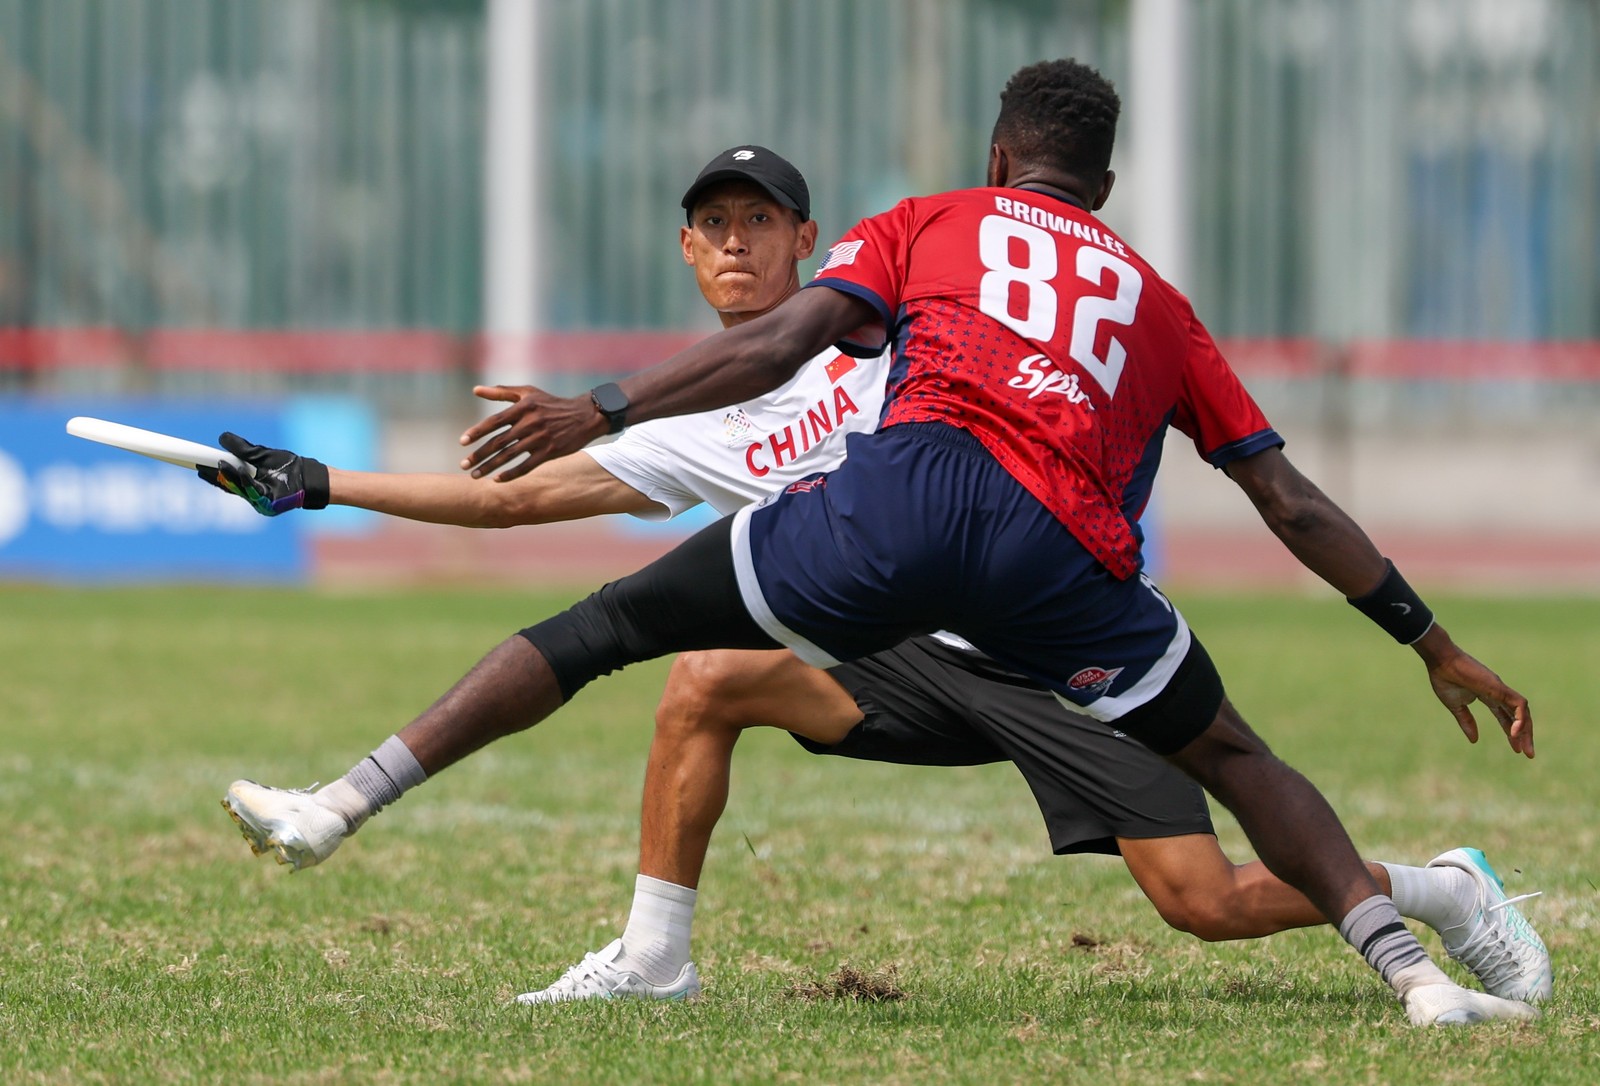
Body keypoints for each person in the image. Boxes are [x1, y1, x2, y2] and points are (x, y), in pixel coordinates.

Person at [211, 64, 1544, 1027]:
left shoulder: (913, 281)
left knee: (1200, 899)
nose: (733, 243)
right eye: (711, 226)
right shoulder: (724, 420)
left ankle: (1432, 888)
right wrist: (329, 483)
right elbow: (519, 502)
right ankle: (651, 956)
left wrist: (611, 388)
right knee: (700, 676)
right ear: (687, 247)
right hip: (915, 633)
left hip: (1036, 641)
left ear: (814, 240)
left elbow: (795, 351)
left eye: (756, 222)